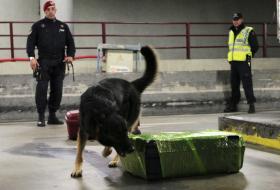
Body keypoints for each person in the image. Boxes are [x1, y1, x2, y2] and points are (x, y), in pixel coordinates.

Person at [26, 0, 76, 127]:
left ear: (56, 10)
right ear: (45, 11)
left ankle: (52, 115)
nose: (51, 11)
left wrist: (70, 55)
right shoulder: (38, 26)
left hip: (60, 63)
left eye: (53, 8)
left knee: (57, 90)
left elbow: (71, 44)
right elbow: (30, 44)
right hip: (44, 62)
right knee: (42, 89)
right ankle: (41, 116)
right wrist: (32, 58)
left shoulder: (63, 26)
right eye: (48, 9)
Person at [224, 13, 259, 114]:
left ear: (242, 20)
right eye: (234, 19)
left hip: (244, 61)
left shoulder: (248, 30)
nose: (235, 21)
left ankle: (251, 105)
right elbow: (231, 47)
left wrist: (248, 56)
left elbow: (255, 46)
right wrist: (230, 59)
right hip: (234, 62)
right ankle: (233, 105)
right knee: (234, 85)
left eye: (237, 19)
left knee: (247, 84)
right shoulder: (231, 31)